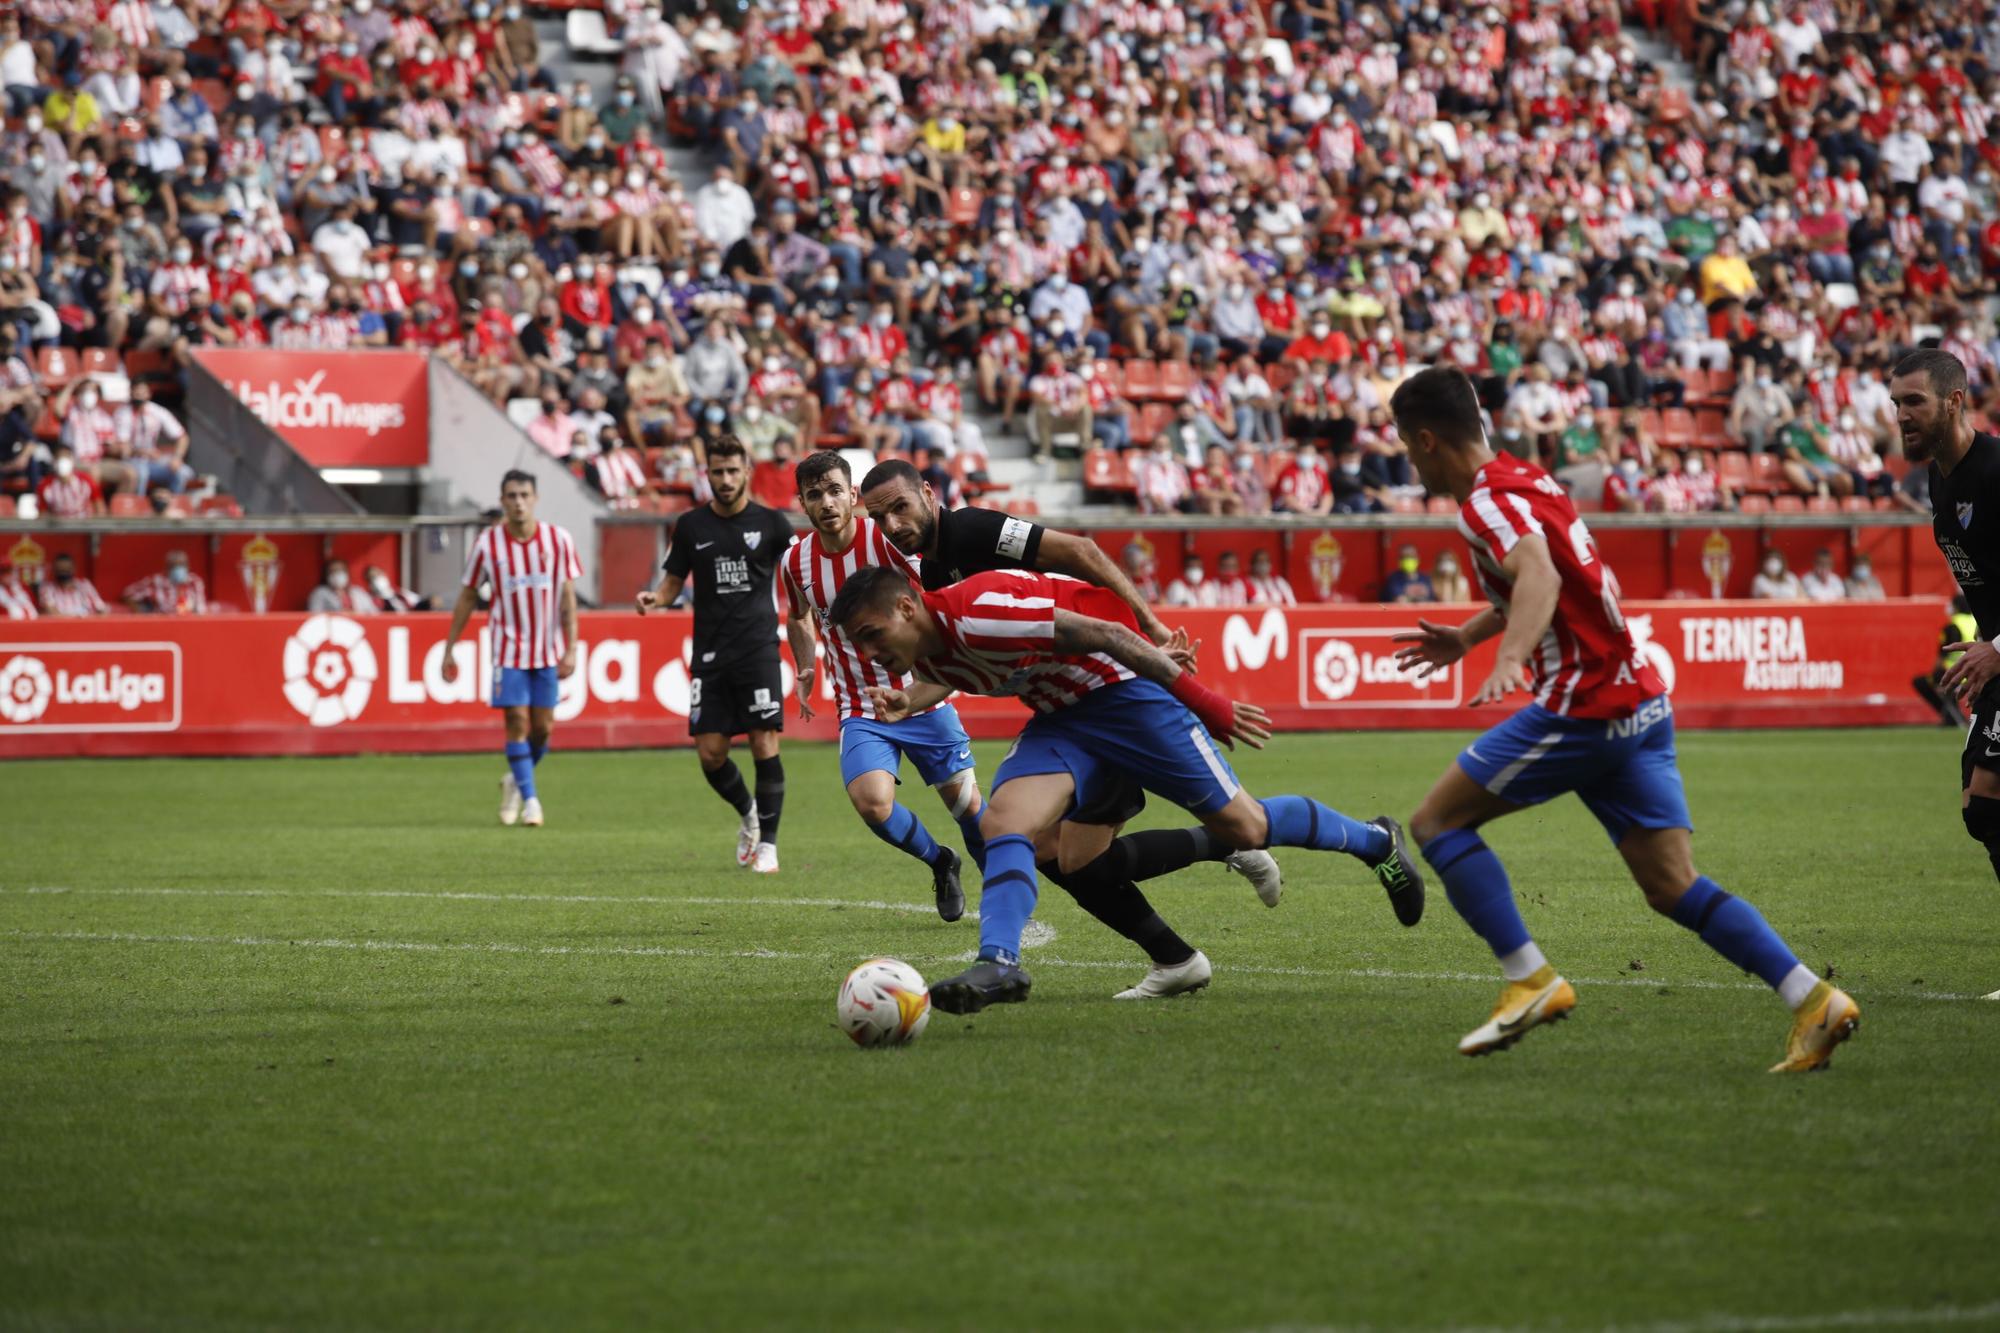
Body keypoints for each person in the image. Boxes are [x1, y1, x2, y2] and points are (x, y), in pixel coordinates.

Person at [1386, 365, 1857, 1072]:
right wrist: (1468, 635)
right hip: (1641, 698)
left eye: (1405, 444)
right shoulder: (1529, 478)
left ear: (1426, 439)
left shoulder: (1483, 504)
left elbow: (1540, 574)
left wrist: (1511, 655)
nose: (1408, 459)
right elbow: (1558, 580)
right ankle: (1814, 999)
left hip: (1586, 704)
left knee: (1435, 824)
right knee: (1673, 885)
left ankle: (1530, 977)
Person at [828, 564, 1425, 1013]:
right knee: (1006, 824)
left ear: (907, 607)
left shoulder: (981, 611)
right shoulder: (933, 647)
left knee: (1246, 826)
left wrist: (1205, 702)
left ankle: (1375, 842)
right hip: (1063, 721)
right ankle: (998, 964)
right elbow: (952, 672)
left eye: (872, 634)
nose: (870, 652)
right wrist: (912, 698)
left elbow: (1109, 634)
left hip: (1128, 702)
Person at [858, 456, 1291, 997]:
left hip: (1110, 676)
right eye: (881, 519)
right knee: (1059, 855)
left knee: (1055, 850)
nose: (894, 525)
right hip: (1069, 701)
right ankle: (1183, 938)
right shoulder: (933, 572)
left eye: (900, 507)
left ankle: (1218, 869)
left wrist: (1150, 627)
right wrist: (910, 699)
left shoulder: (973, 530)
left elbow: (1080, 552)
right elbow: (971, 655)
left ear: (928, 493)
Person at [777, 450, 980, 916]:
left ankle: (1004, 904)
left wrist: (944, 662)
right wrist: (805, 664)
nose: (826, 503)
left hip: (921, 696)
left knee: (968, 807)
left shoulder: (889, 541)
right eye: (814, 495)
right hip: (861, 705)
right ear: (803, 505)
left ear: (853, 495)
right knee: (872, 804)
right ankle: (941, 860)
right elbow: (798, 617)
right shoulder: (796, 563)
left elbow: (934, 599)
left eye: (834, 491)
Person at [638, 436, 795, 872]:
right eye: (717, 471)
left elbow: (799, 575)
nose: (725, 480)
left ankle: (770, 846)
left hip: (760, 649)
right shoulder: (691, 526)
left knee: (765, 740)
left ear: (747, 471)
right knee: (710, 753)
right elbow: (672, 583)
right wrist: (656, 599)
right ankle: (749, 814)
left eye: (732, 470)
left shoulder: (773, 525)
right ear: (707, 474)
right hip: (710, 653)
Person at [1890, 349, 2000, 909]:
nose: (1902, 415)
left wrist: (1997, 649)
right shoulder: (1938, 481)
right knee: (1979, 809)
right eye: (1895, 404)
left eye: (1914, 401)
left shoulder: (1996, 472)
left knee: (1987, 799)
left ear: (1954, 401)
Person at [440, 471, 582, 829]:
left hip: (547, 651)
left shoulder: (558, 539)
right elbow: (468, 596)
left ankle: (515, 782)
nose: (518, 501)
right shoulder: (488, 545)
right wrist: (449, 647)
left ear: (535, 498)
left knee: (543, 729)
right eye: (511, 496)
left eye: (524, 494)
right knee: (516, 722)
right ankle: (531, 800)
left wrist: (572, 647)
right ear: (502, 500)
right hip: (508, 650)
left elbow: (567, 597)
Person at [124, 550, 209, 615]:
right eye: (173, 566)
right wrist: (140, 614)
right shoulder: (155, 581)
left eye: (181, 565)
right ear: (167, 567)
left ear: (188, 566)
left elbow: (201, 611)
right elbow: (127, 594)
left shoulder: (194, 582)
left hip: (188, 624)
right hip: (162, 624)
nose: (178, 569)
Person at [37, 552, 108, 616]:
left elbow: (101, 609)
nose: (63, 573)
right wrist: (78, 618)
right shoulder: (47, 588)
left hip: (87, 626)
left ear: (73, 569)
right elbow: (53, 613)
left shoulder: (84, 585)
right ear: (54, 571)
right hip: (60, 627)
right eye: (60, 570)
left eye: (66, 570)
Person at [307, 558, 375, 614]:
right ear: (327, 575)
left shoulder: (358, 591)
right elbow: (314, 615)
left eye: (341, 570)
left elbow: (374, 613)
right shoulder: (320, 593)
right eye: (333, 571)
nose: (338, 574)